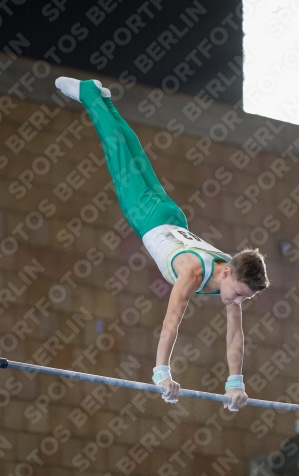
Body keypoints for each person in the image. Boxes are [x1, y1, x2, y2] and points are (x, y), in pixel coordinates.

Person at [55, 77, 270, 409]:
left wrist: (235, 384)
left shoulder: (234, 270)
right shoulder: (195, 274)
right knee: (118, 153)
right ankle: (88, 93)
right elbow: (172, 319)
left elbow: (235, 337)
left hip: (172, 217)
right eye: (241, 293)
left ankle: (106, 100)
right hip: (149, 217)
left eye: (246, 296)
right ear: (227, 273)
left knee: (135, 155)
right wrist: (161, 373)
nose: (240, 300)